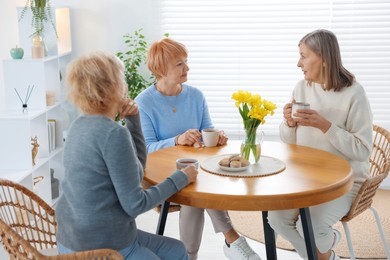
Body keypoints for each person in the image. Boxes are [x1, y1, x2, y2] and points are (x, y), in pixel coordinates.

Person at [55, 51, 198, 260]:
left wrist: (133, 120)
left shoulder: (79, 125)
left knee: (177, 250)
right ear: (112, 87)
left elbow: (136, 171)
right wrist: (181, 178)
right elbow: (136, 204)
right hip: (102, 245)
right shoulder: (113, 134)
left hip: (70, 238)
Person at [135, 38, 261, 260]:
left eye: (186, 61)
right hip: (162, 174)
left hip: (195, 171)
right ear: (161, 70)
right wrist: (177, 140)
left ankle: (189, 255)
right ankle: (232, 239)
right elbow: (146, 150)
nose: (187, 68)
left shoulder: (196, 95)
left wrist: (216, 137)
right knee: (196, 186)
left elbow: (206, 132)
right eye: (179, 64)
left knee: (196, 185)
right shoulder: (144, 102)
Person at [267, 29, 373, 260]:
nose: (298, 63)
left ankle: (323, 247)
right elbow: (290, 143)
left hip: (344, 182)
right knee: (275, 218)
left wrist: (326, 126)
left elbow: (363, 150)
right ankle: (326, 254)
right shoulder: (302, 88)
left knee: (314, 226)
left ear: (323, 59)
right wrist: (289, 124)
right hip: (306, 177)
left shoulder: (354, 93)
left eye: (304, 56)